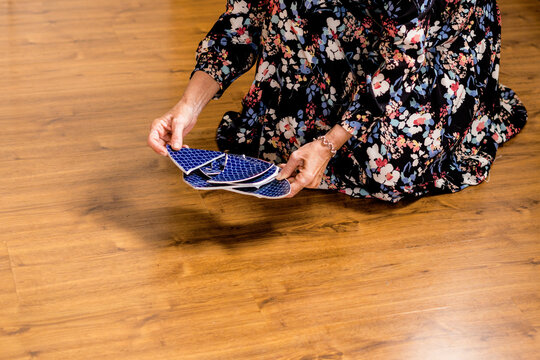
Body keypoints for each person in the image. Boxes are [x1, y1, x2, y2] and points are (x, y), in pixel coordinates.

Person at [148, 0, 527, 202]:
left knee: (389, 164)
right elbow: (244, 17)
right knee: (281, 134)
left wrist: (331, 142)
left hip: (430, 41)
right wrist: (189, 105)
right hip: (358, 20)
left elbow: (403, 58)